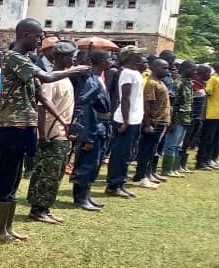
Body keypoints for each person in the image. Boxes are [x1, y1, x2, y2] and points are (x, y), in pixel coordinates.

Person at [0, 19, 89, 241]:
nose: (39, 40)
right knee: (6, 177)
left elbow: (40, 94)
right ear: (25, 35)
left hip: (25, 124)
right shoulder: (13, 57)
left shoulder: (25, 60)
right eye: (37, 36)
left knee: (15, 178)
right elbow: (46, 77)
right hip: (11, 125)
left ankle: (7, 227)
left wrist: (62, 122)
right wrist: (73, 70)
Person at [26, 40, 79, 223]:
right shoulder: (51, 79)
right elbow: (42, 108)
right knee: (47, 174)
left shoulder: (64, 78)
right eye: (70, 56)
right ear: (60, 57)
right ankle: (38, 209)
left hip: (63, 134)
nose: (72, 59)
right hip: (52, 134)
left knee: (55, 174)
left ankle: (44, 207)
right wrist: (42, 135)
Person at [69, 50, 111, 211]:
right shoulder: (91, 80)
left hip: (102, 125)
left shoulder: (99, 78)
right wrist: (86, 136)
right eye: (108, 58)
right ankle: (80, 198)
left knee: (95, 162)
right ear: (101, 61)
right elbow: (85, 108)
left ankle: (86, 195)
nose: (111, 61)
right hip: (93, 125)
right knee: (87, 162)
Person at [104, 46, 149, 197]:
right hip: (125, 120)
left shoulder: (136, 73)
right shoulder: (126, 73)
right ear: (130, 56)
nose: (141, 56)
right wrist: (125, 121)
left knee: (128, 154)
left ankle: (120, 183)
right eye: (138, 54)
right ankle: (113, 185)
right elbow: (125, 98)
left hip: (135, 119)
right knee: (120, 154)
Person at [130, 58, 172, 188]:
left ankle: (148, 174)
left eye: (167, 68)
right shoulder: (151, 83)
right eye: (164, 68)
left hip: (162, 121)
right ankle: (140, 177)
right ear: (154, 68)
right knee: (146, 151)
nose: (167, 70)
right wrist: (147, 124)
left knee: (152, 150)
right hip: (154, 121)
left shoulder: (160, 82)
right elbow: (147, 104)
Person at [161, 60, 196, 177]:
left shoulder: (188, 83)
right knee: (171, 144)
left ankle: (175, 168)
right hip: (177, 118)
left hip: (186, 118)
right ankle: (167, 169)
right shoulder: (178, 83)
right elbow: (173, 104)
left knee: (178, 145)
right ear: (184, 69)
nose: (194, 71)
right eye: (192, 69)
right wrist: (172, 121)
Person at [196, 61, 219, 170]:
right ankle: (201, 161)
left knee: (216, 139)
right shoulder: (214, 79)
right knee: (207, 138)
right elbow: (208, 92)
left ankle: (209, 159)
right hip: (212, 114)